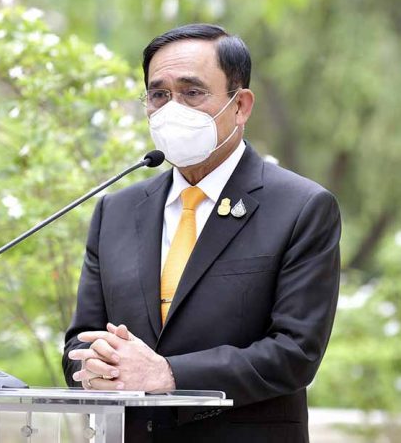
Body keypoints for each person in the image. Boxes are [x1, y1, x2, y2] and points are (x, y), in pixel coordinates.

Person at [62, 23, 341, 443]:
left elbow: (295, 352)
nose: (171, 109)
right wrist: (95, 365)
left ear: (240, 105)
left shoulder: (301, 207)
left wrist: (169, 373)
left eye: (192, 92)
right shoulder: (115, 211)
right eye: (158, 95)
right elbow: (78, 345)